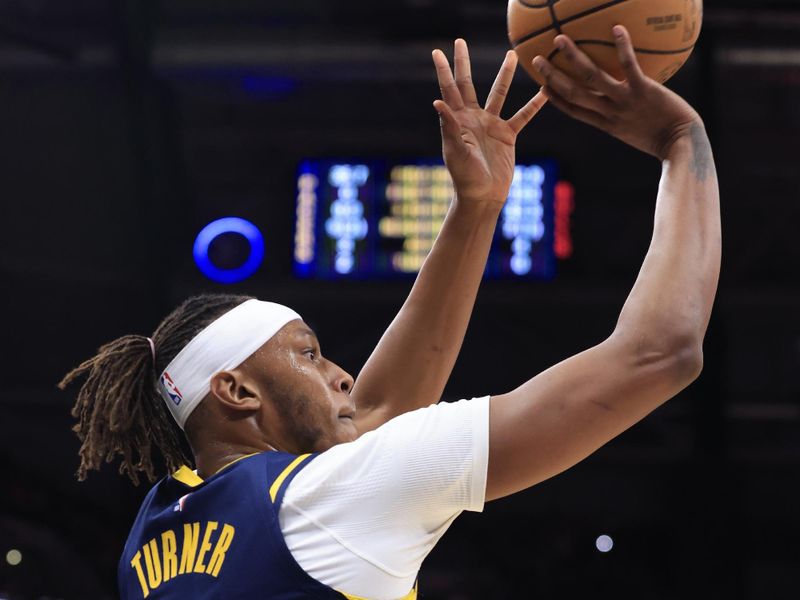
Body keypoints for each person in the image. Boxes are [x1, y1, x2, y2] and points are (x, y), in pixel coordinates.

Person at [59, 26, 720, 600]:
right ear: (235, 389)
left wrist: (477, 208)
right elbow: (661, 352)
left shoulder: (151, 537)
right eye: (308, 354)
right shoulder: (330, 502)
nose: (342, 375)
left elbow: (372, 417)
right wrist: (680, 139)